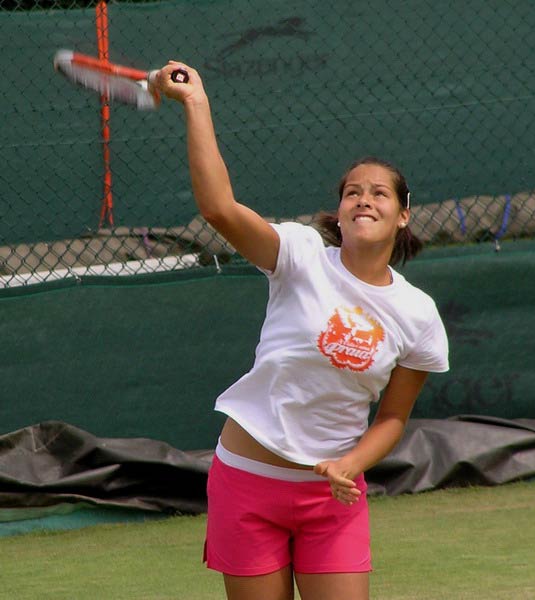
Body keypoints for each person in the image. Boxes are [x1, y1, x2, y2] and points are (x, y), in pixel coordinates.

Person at [153, 61, 449, 600]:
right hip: (246, 481)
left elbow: (392, 418)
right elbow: (218, 208)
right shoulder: (300, 255)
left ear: (403, 215)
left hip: (331, 498)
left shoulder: (419, 313)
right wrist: (196, 104)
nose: (365, 199)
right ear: (339, 212)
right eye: (353, 191)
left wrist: (351, 464)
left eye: (380, 193)